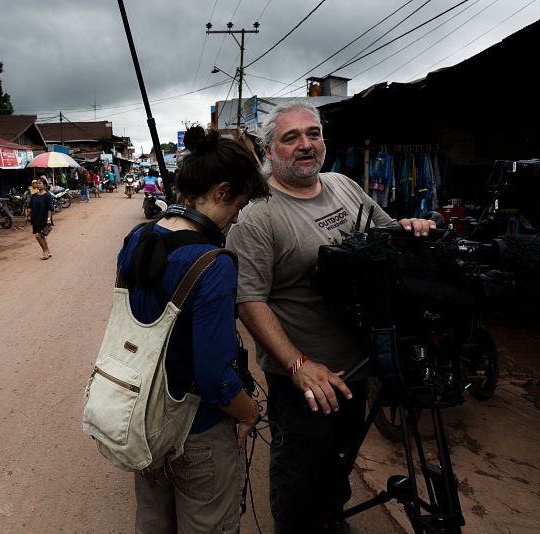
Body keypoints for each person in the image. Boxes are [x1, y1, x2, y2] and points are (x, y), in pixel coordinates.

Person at [225, 102, 436, 534]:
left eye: (313, 134)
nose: (306, 145)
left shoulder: (342, 183)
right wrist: (298, 365)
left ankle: (331, 520)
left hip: (358, 364)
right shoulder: (257, 214)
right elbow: (249, 301)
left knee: (339, 461)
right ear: (268, 151)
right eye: (291, 138)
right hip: (304, 376)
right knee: (299, 472)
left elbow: (384, 233)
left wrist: (409, 227)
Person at [121, 126, 270, 533]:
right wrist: (249, 412)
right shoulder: (212, 263)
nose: (237, 217)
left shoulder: (137, 238)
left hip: (145, 420)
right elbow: (214, 377)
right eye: (238, 206)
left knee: (153, 520)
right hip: (198, 430)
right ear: (221, 192)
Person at [26, 176, 54, 260]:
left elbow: (50, 209)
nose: (38, 185)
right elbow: (30, 207)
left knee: (38, 235)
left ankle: (44, 251)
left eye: (40, 183)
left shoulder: (47, 195)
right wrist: (27, 216)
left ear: (44, 185)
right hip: (35, 219)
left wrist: (49, 219)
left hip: (44, 219)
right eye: (37, 183)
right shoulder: (34, 196)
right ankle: (48, 251)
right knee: (42, 236)